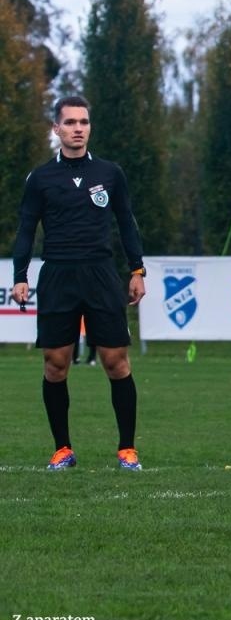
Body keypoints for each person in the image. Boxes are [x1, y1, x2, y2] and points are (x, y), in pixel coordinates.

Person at [10, 96, 147, 471]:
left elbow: (126, 222)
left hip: (101, 274)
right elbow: (26, 229)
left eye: (83, 122)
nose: (77, 128)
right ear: (56, 129)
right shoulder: (40, 178)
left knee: (116, 362)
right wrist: (19, 276)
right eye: (69, 122)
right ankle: (62, 449)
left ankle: (127, 450)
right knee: (55, 365)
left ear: (89, 127)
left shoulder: (110, 173)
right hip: (57, 275)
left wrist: (137, 270)